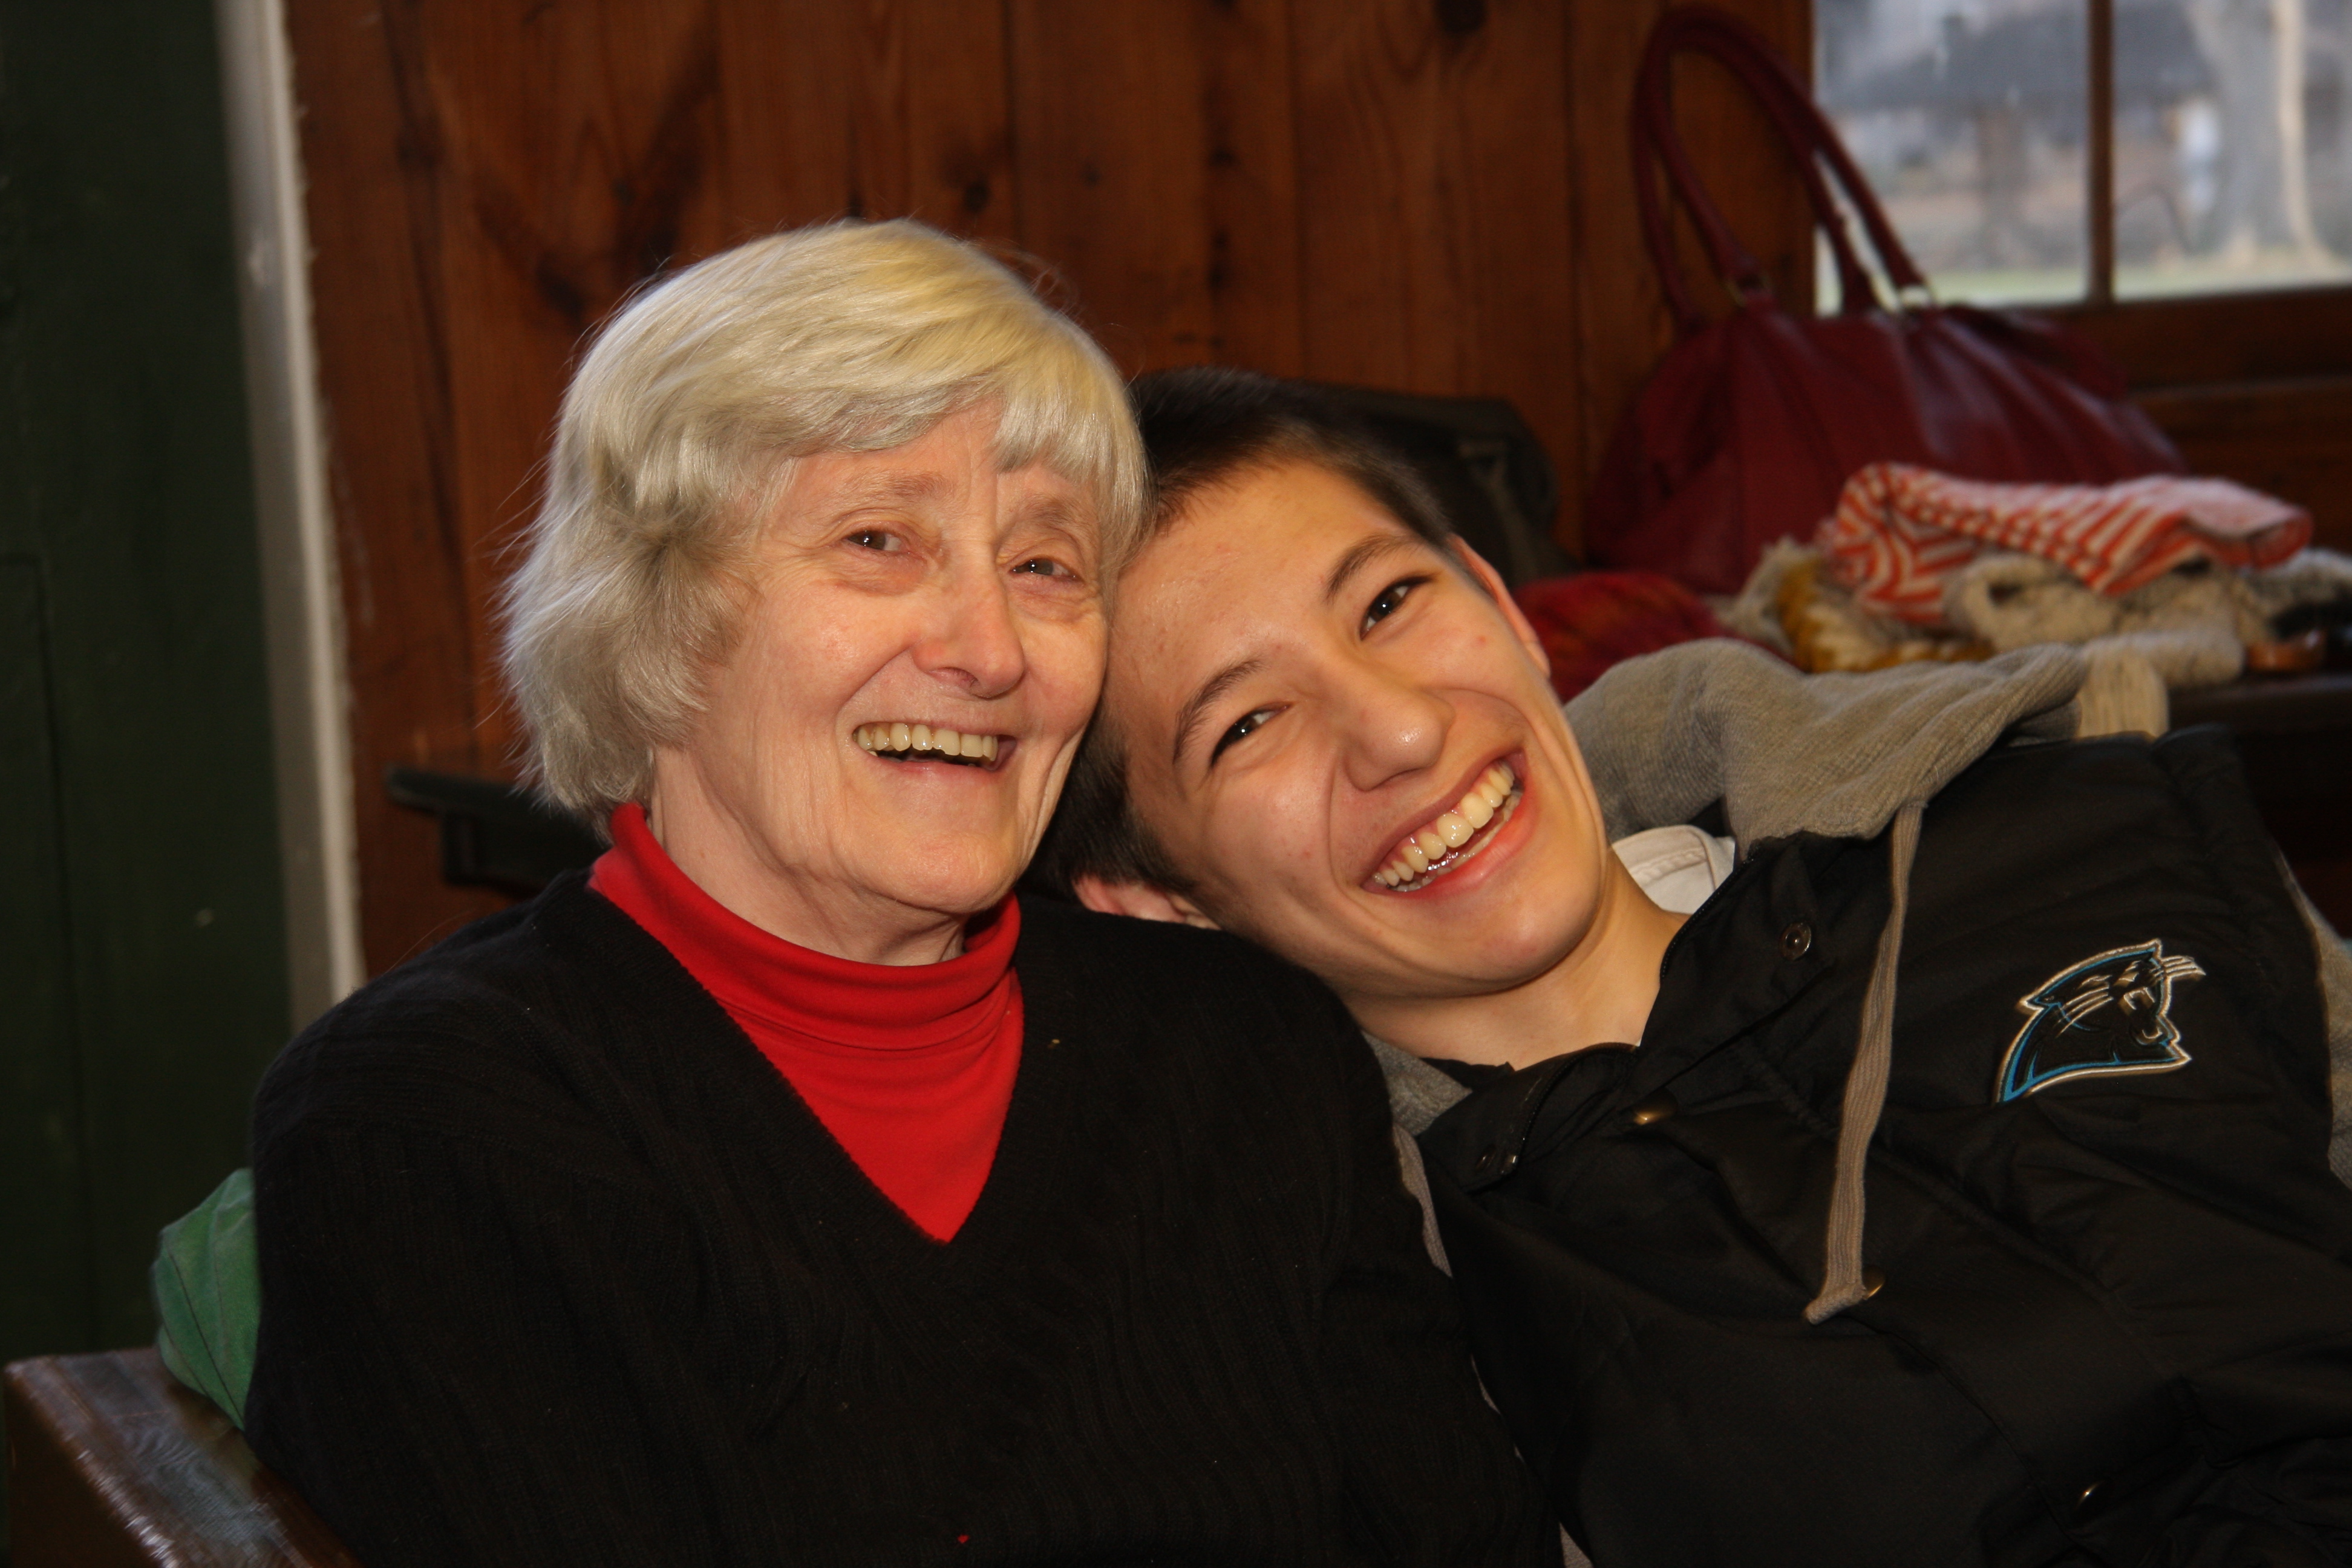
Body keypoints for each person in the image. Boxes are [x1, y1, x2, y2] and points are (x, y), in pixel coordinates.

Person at [241, 227, 1555, 1567]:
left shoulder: (1246, 1045)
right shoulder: (431, 1125)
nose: (991, 651)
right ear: (656, 613)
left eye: (1044, 566)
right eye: (879, 540)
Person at [1042, 365, 2352, 1568]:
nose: (1398, 730)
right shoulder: (1382, 1312)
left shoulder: (2072, 831)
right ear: (1159, 902)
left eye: (1389, 604)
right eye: (1249, 724)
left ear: (1501, 603)